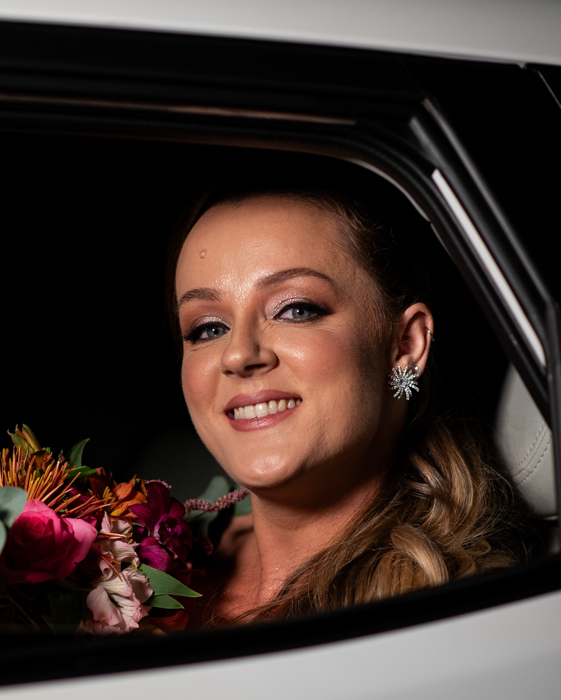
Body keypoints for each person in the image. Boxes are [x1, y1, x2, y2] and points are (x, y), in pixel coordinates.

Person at [167, 185, 537, 625]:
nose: (237, 354)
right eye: (208, 328)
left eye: (296, 310)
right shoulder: (146, 550)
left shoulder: (460, 614)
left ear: (406, 344)